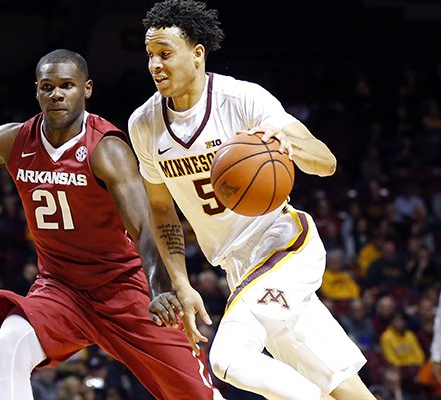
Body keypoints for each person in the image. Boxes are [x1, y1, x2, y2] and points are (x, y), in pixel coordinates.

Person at [0, 49, 222, 400]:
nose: (56, 94)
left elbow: (141, 227)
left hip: (122, 288)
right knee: (9, 343)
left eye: (67, 86)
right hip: (60, 288)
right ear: (37, 91)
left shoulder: (107, 149)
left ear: (86, 89)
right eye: (47, 86)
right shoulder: (14, 139)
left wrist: (159, 288)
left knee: (197, 395)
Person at [128, 1, 375, 398]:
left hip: (284, 246)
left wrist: (288, 145)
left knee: (229, 359)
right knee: (343, 387)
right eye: (150, 56)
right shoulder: (143, 124)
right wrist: (180, 282)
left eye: (165, 54)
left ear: (197, 53)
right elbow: (161, 210)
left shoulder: (242, 99)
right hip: (237, 266)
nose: (155, 65)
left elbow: (325, 162)